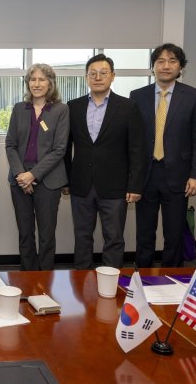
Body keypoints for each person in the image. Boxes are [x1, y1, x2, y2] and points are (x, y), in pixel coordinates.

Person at [130, 43, 196, 267]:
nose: (166, 66)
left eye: (172, 61)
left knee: (173, 234)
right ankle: (141, 278)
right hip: (146, 176)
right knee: (144, 233)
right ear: (153, 66)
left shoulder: (193, 96)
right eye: (161, 61)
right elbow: (133, 141)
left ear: (180, 67)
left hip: (179, 176)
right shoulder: (137, 96)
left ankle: (172, 280)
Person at [66, 54, 146, 270]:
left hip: (115, 186)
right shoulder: (73, 106)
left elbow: (137, 149)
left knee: (114, 238)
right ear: (86, 78)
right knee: (82, 237)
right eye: (93, 74)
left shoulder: (128, 107)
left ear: (113, 76)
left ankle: (111, 285)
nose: (98, 77)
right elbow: (65, 147)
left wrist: (135, 185)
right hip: (81, 184)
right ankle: (81, 283)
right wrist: (66, 181)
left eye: (103, 73)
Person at [5, 63, 69, 271]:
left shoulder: (61, 110)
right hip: (19, 181)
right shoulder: (18, 109)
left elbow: (59, 150)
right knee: (25, 234)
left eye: (42, 79)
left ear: (50, 83)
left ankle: (45, 281)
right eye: (33, 79)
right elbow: (10, 144)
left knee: (46, 236)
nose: (37, 83)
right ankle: (28, 277)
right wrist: (21, 175)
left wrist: (33, 175)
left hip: (48, 182)